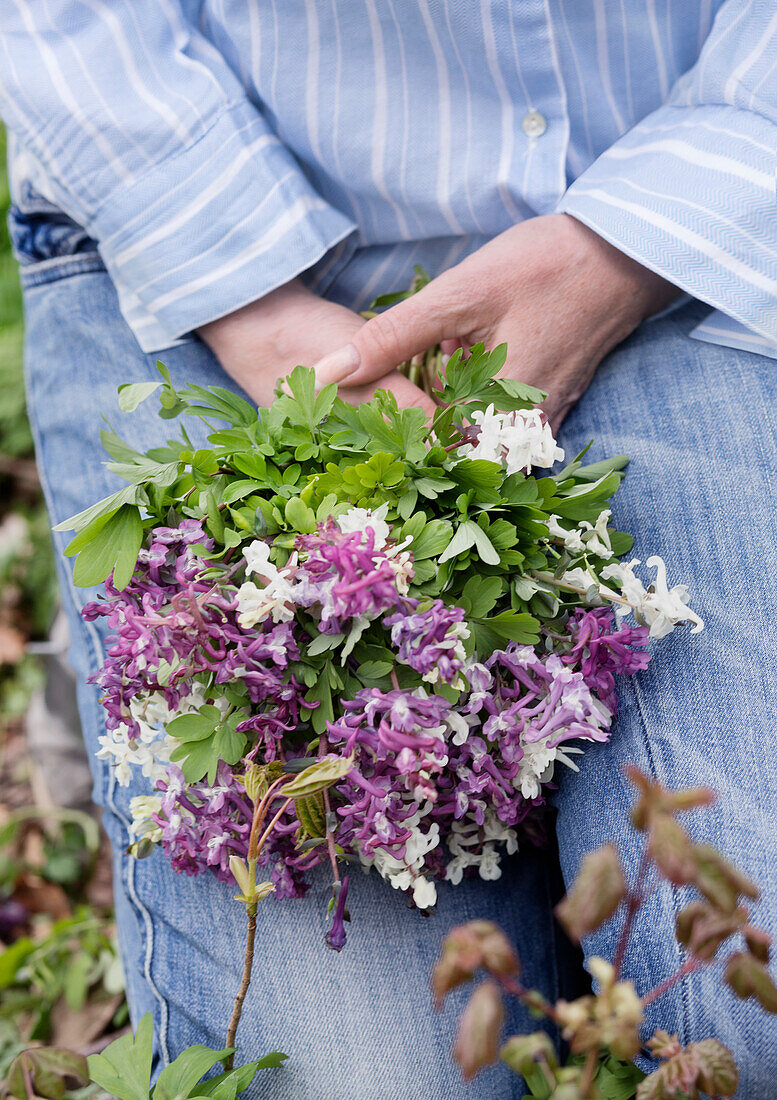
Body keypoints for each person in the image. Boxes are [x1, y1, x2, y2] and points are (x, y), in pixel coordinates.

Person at [3, 2, 777, 1095]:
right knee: (356, 1078)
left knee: (744, 1030)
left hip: (688, 217)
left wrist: (629, 246)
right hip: (195, 220)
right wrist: (257, 304)